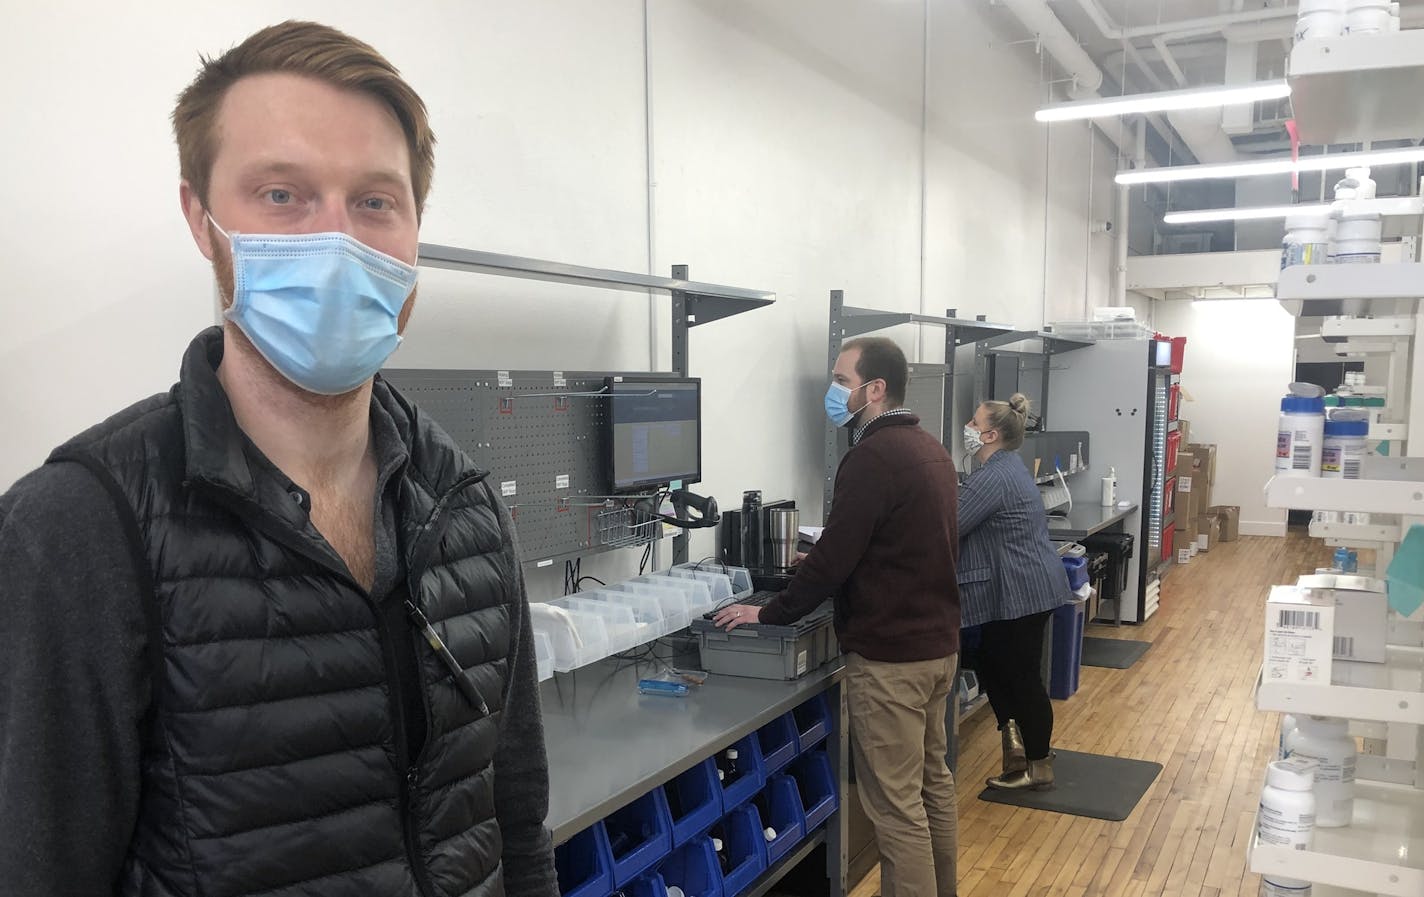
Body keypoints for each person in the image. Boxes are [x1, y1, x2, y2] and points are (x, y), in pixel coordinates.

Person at [0, 21, 558, 897]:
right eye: (282, 195)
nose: (338, 242)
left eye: (376, 201)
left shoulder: (465, 506)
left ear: (415, 230)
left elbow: (517, 826)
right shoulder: (77, 529)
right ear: (202, 220)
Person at [715, 336, 960, 897]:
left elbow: (832, 566)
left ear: (874, 390)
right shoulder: (931, 450)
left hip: (891, 662)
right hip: (938, 650)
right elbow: (897, 545)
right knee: (933, 789)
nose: (833, 392)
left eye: (842, 381)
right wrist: (825, 561)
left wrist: (767, 612)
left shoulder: (871, 458)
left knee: (897, 813)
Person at [957, 394, 1074, 791]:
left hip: (1023, 591)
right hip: (1026, 588)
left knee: (1021, 677)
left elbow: (950, 521)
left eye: (974, 424)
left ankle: (1038, 764)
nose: (968, 430)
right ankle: (1018, 749)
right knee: (993, 663)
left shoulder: (994, 476)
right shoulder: (1006, 467)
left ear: (990, 434)